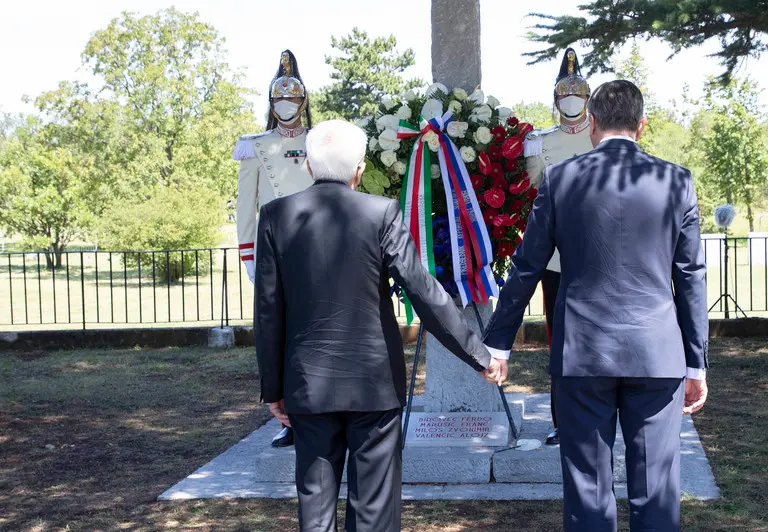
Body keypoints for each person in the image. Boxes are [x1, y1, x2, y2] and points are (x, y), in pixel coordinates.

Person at [482, 80, 709, 532]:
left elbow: (527, 265)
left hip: (583, 353)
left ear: (591, 125)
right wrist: (696, 364)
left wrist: (500, 344)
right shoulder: (676, 181)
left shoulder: (560, 179)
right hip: (657, 354)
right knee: (657, 492)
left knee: (588, 491)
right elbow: (690, 277)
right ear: (641, 126)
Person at [254, 120, 501, 532]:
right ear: (358, 170)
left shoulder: (276, 216)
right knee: (374, 512)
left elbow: (267, 309)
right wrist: (477, 353)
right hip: (373, 383)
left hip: (307, 384)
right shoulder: (380, 212)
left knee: (314, 510)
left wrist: (273, 388)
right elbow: (423, 290)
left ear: (310, 167)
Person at [233, 49, 315, 448]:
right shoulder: (254, 147)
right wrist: (250, 256)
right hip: (275, 253)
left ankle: (319, 408)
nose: (286, 106)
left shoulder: (320, 140)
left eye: (292, 99)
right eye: (279, 100)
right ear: (270, 103)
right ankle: (289, 418)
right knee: (279, 336)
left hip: (319, 251)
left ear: (303, 102)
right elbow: (244, 208)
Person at [522, 47, 595, 446]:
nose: (570, 101)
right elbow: (533, 190)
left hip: (602, 255)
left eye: (577, 95)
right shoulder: (541, 141)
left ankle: (596, 414)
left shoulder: (602, 136)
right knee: (560, 339)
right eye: (564, 95)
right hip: (557, 259)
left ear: (587, 99)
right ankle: (562, 419)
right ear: (556, 99)